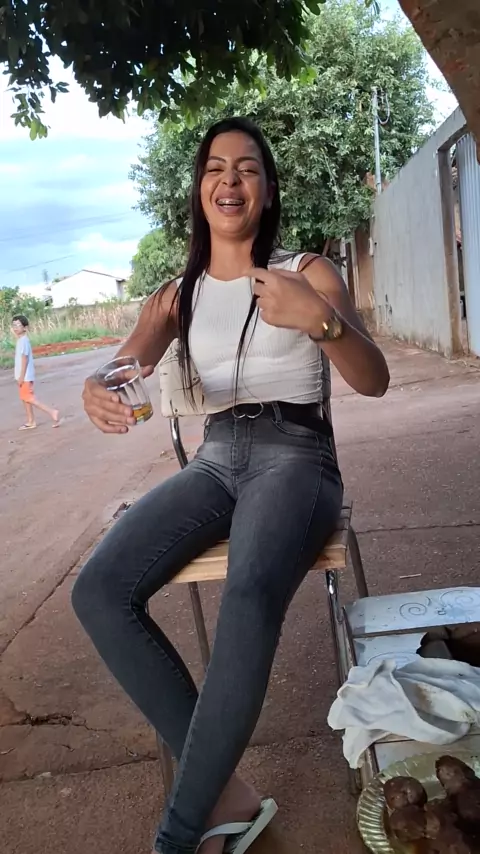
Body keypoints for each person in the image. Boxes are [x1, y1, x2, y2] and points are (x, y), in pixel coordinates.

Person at [73, 117, 390, 854]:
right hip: (216, 458)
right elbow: (124, 363)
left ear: (267, 190)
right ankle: (225, 793)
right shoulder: (175, 295)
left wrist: (321, 322)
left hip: (297, 456)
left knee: (247, 590)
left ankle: (181, 834)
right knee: (99, 590)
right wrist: (97, 385)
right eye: (215, 168)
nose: (230, 180)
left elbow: (374, 380)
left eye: (247, 168)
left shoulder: (307, 272)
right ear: (199, 189)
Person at [11, 315, 60, 430]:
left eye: (18, 325)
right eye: (14, 325)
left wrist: (21, 377)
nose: (16, 328)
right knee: (25, 398)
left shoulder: (23, 341)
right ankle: (31, 421)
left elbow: (24, 359)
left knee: (28, 398)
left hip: (25, 376)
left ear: (25, 328)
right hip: (23, 376)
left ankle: (52, 412)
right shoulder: (21, 340)